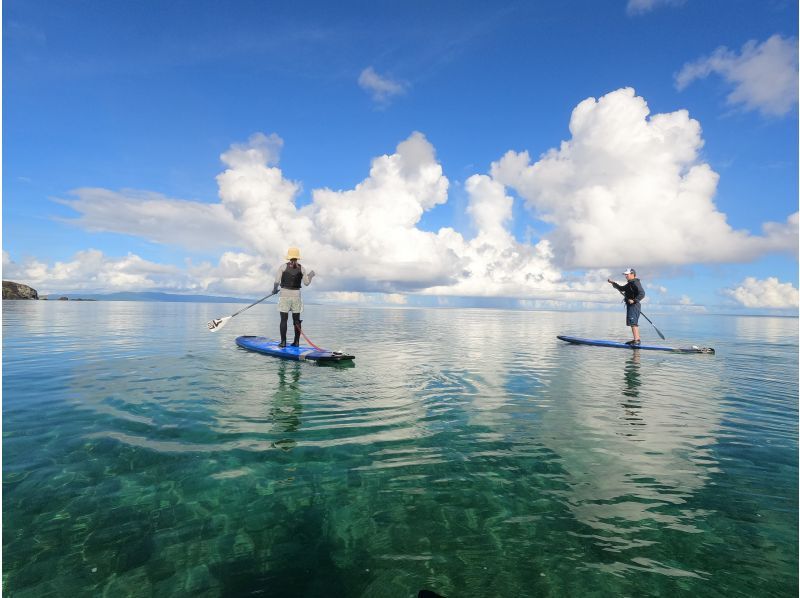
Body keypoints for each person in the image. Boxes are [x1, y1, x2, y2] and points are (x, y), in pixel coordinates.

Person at [272, 247, 315, 347]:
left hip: (284, 296)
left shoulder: (283, 267)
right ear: (297, 257)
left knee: (283, 320)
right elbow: (306, 283)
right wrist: (311, 275)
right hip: (296, 297)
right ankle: (296, 342)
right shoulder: (302, 268)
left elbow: (277, 281)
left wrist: (274, 290)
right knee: (296, 320)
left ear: (289, 257)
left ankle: (283, 342)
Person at [607, 268, 645, 346]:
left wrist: (634, 300)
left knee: (633, 323)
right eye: (625, 274)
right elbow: (621, 288)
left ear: (632, 274)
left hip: (634, 305)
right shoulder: (630, 283)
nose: (626, 276)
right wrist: (613, 283)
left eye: (627, 274)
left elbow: (642, 293)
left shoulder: (635, 283)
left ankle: (637, 341)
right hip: (631, 305)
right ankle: (637, 339)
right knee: (632, 323)